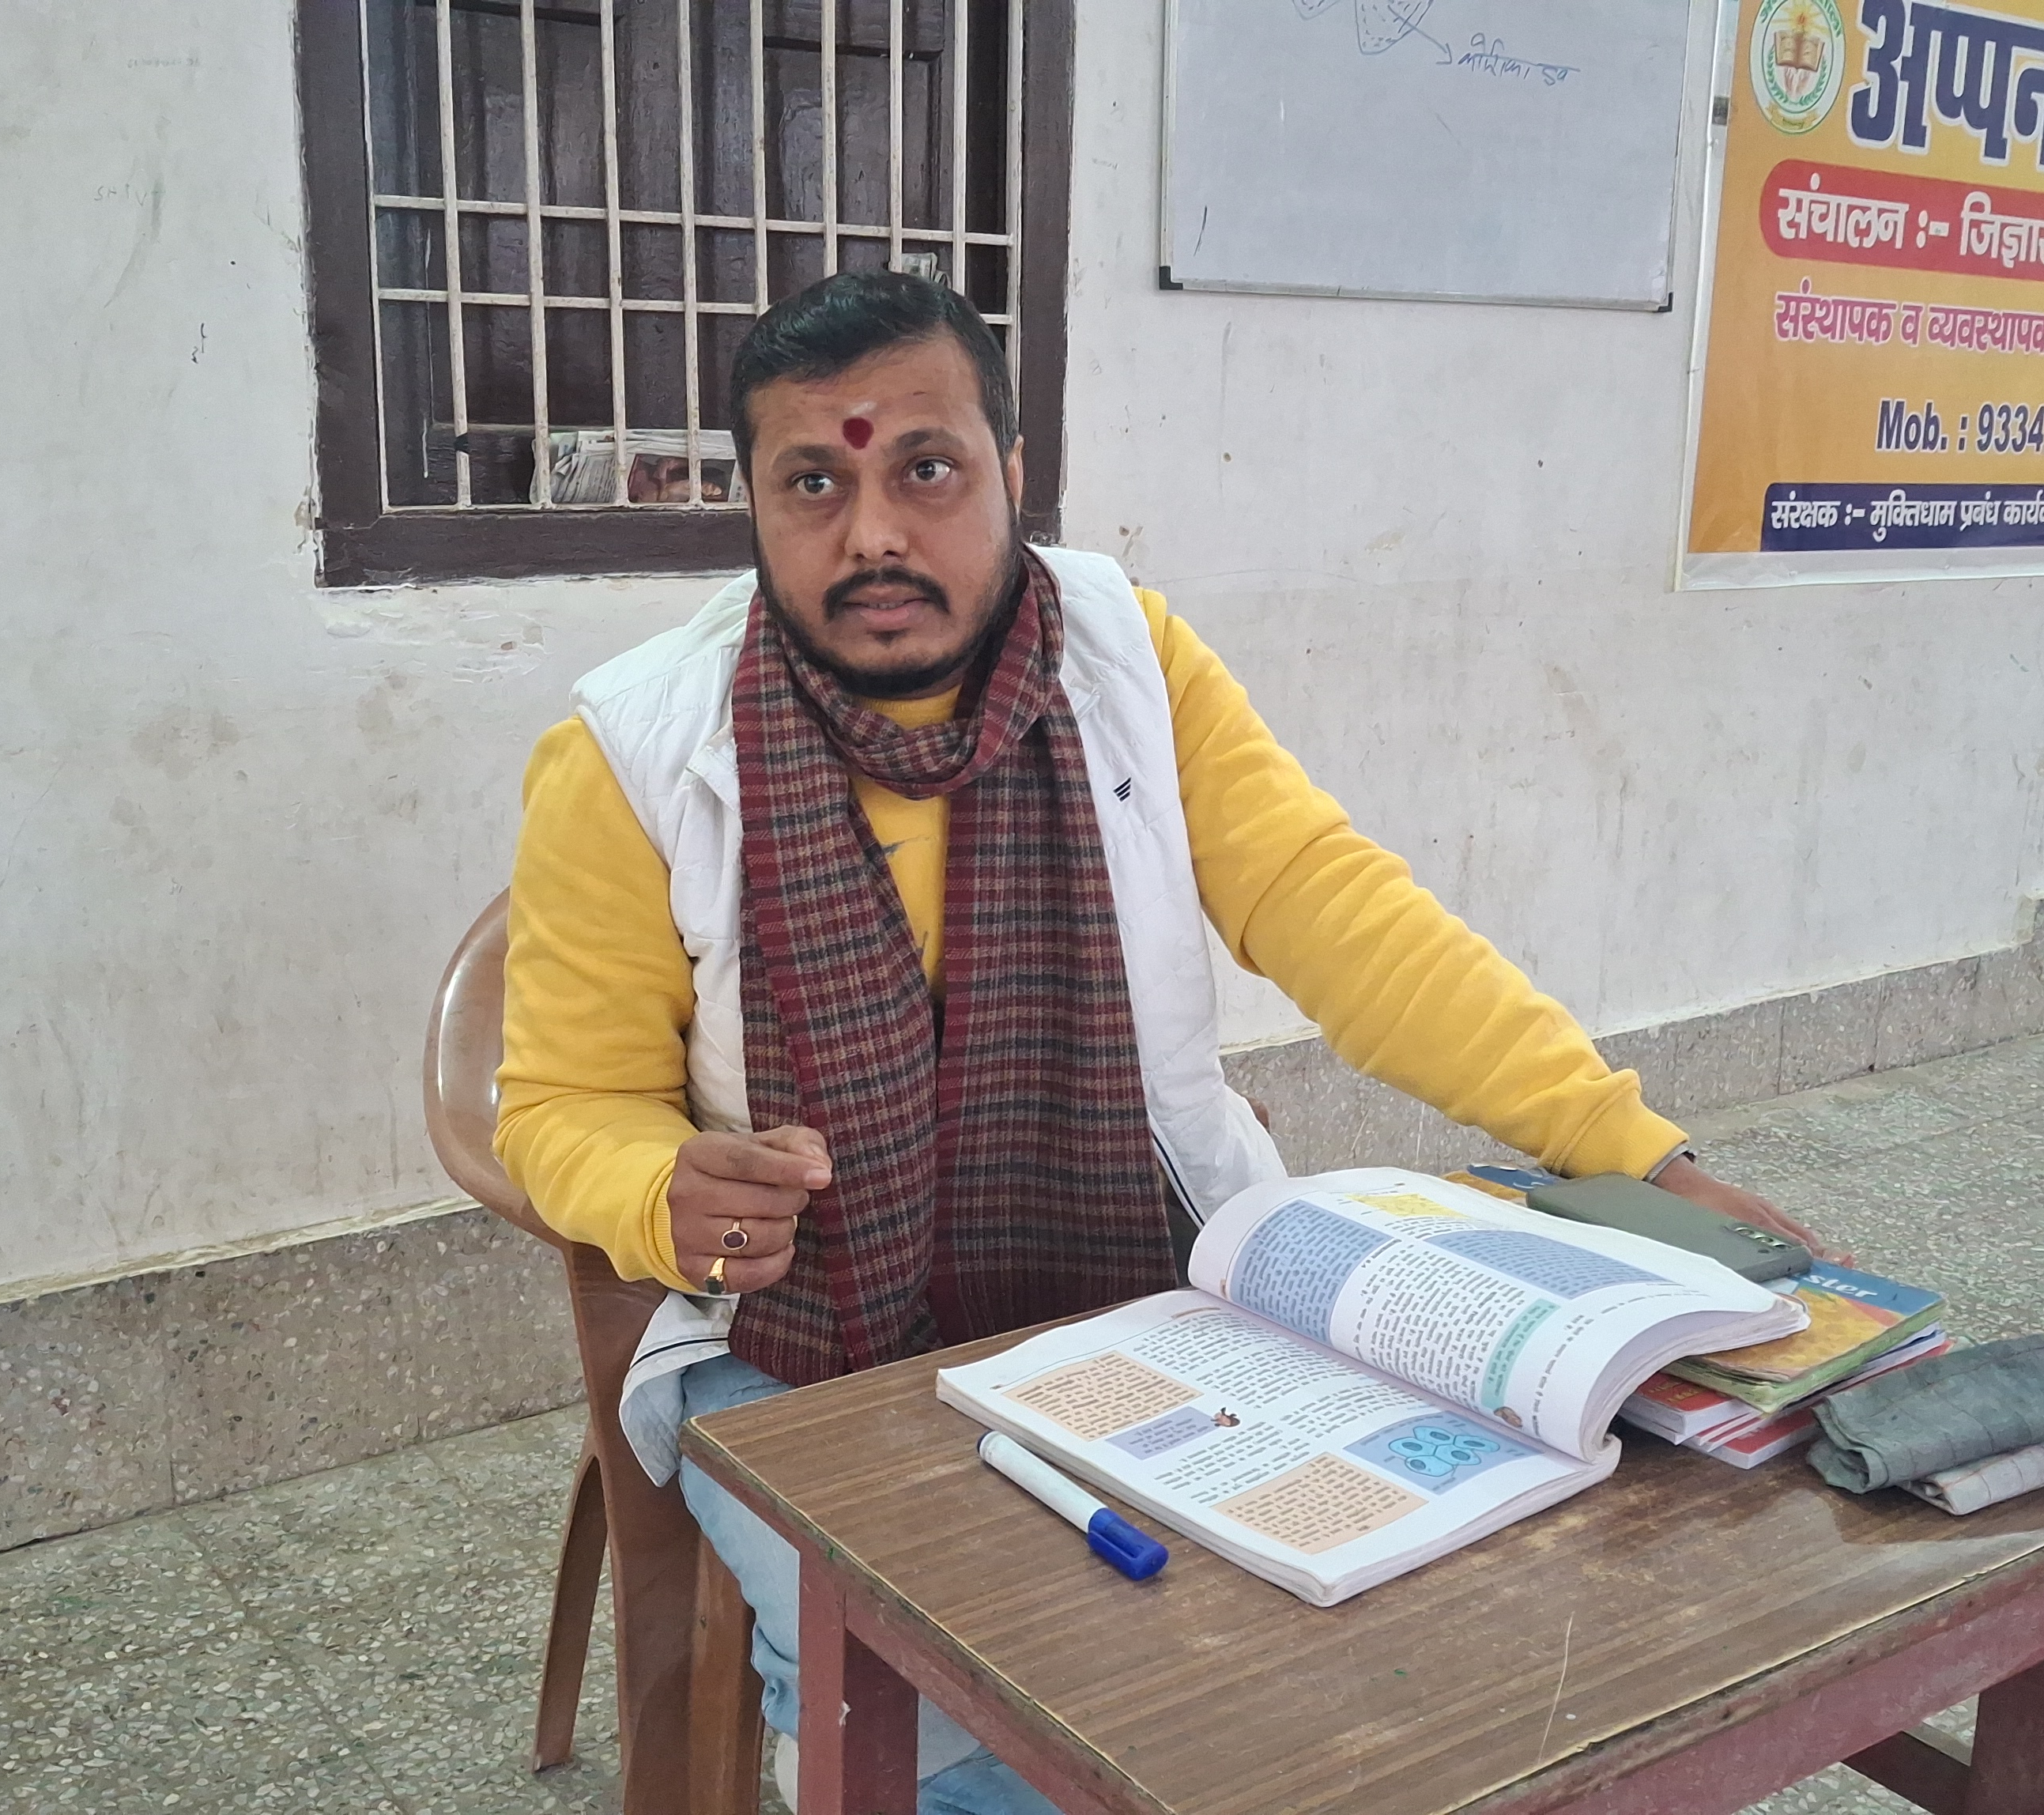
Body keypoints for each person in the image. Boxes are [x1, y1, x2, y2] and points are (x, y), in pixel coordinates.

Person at [495, 270, 1829, 1814]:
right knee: (947, 1714)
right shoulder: (632, 748)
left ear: (1007, 469)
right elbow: (563, 1101)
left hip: (1144, 1266)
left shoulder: (1128, 659)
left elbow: (1342, 915)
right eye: (815, 481)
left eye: (923, 468)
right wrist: (667, 1191)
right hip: (792, 1341)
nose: (873, 533)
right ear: (751, 506)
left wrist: (1633, 1151)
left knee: (1378, 1614)